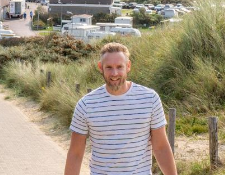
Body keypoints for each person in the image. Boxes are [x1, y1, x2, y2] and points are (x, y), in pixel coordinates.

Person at [64, 42, 177, 175]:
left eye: (119, 67)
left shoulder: (150, 99)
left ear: (128, 66)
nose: (114, 73)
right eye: (109, 67)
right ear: (100, 67)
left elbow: (161, 147)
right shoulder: (86, 105)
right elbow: (75, 154)